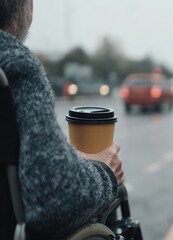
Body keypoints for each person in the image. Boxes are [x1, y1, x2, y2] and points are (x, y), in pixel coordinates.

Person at [0, 0, 124, 239]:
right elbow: (57, 199)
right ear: (24, 8)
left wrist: (68, 162)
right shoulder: (14, 63)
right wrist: (104, 170)